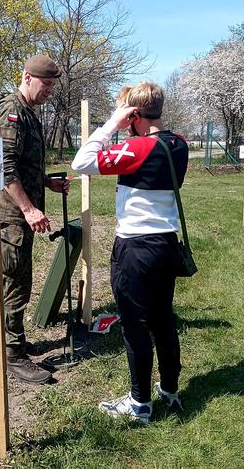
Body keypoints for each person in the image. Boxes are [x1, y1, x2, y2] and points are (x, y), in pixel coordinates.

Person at [71, 81, 188, 423]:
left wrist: (111, 123)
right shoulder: (178, 144)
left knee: (135, 326)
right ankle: (169, 389)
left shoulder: (140, 148)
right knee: (163, 320)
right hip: (166, 243)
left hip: (136, 248)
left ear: (134, 114)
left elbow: (82, 162)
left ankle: (140, 404)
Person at [0, 54, 69, 384]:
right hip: (10, 216)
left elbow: (21, 164)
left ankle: (8, 343)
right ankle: (13, 357)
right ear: (27, 77)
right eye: (45, 84)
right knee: (15, 284)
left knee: (16, 280)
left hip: (17, 214)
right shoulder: (12, 113)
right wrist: (28, 208)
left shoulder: (28, 113)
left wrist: (46, 182)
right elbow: (5, 169)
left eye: (52, 85)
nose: (49, 90)